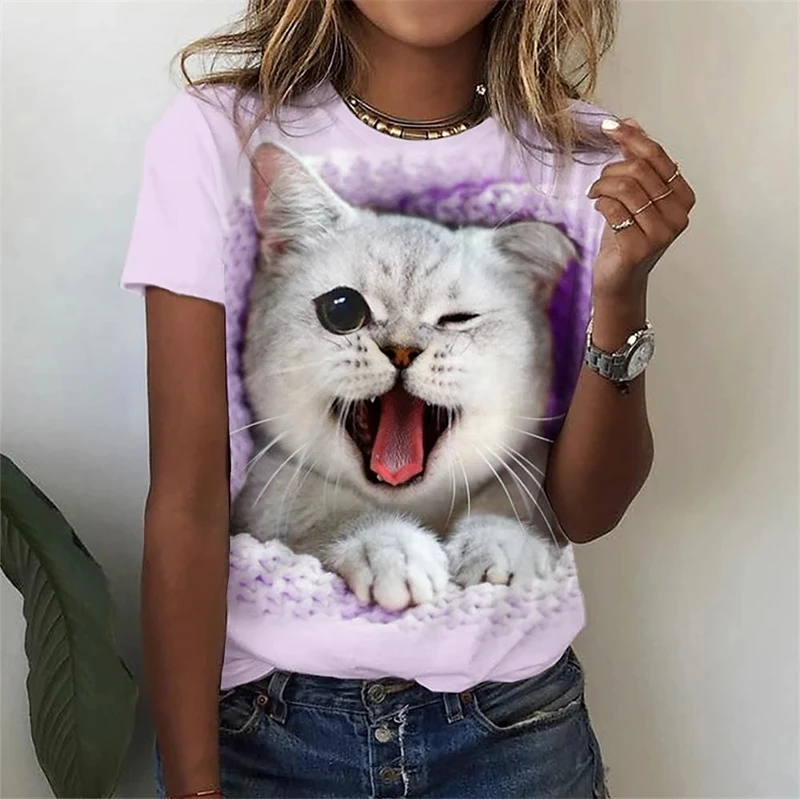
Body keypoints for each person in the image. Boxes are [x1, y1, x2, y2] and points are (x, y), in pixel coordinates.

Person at [122, 1, 695, 797]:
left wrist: (623, 292)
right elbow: (187, 501)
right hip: (264, 733)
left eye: (453, 322)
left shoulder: (586, 159)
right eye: (347, 311)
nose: (402, 351)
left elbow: (584, 511)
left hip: (511, 733)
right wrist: (193, 786)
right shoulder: (219, 133)